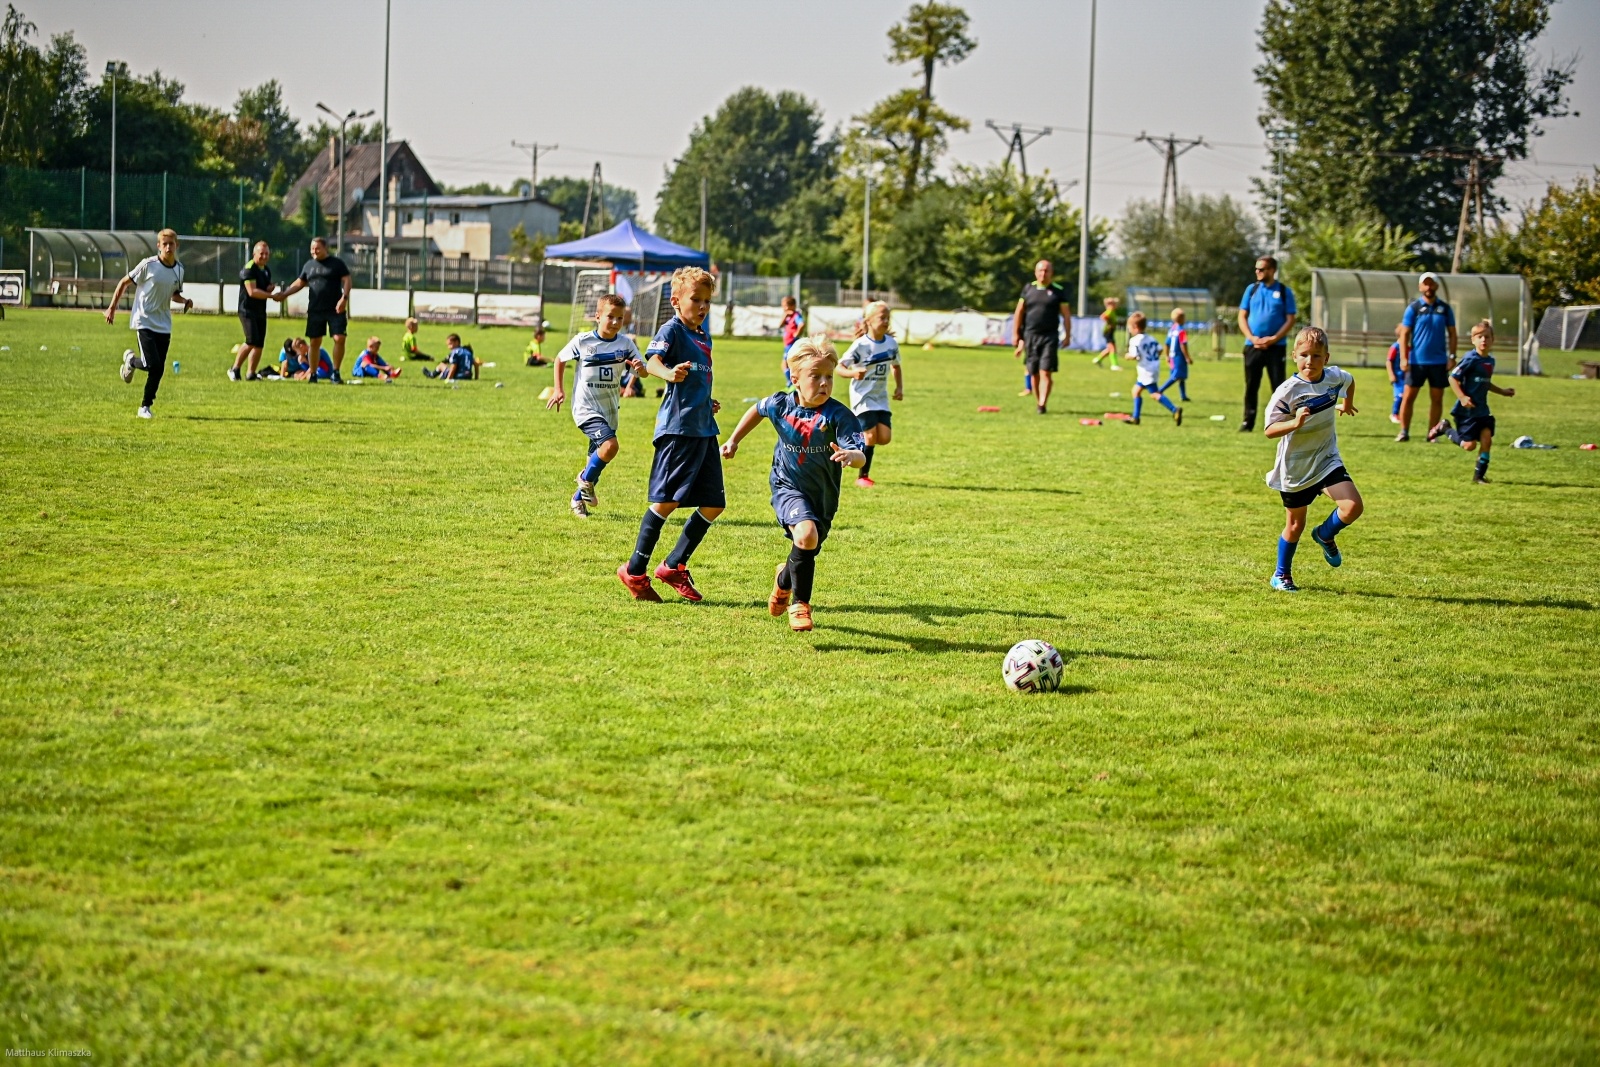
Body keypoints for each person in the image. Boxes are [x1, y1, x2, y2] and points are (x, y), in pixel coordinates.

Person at [720, 337, 866, 632]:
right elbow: (757, 410)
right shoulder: (780, 404)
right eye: (816, 376)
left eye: (829, 376)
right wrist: (734, 440)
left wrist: (852, 455)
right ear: (795, 378)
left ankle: (783, 579)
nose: (825, 383)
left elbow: (861, 454)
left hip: (823, 496)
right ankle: (800, 605)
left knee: (807, 545)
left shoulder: (839, 415)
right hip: (787, 486)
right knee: (807, 535)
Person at [618, 266, 723, 603]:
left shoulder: (704, 335)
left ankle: (673, 565)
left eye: (707, 300)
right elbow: (652, 362)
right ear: (676, 301)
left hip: (704, 426)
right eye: (696, 299)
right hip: (679, 429)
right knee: (667, 500)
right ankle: (635, 570)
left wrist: (706, 399)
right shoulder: (673, 329)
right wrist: (669, 375)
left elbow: (697, 378)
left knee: (713, 504)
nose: (703, 306)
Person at [1263, 326, 1362, 592]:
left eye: (1317, 356)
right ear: (1294, 356)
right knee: (1295, 526)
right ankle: (1281, 575)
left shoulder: (1333, 378)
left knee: (1353, 507)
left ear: (1326, 358)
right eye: (1304, 355)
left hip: (1326, 459)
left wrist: (1347, 403)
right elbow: (1270, 430)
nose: (1310, 361)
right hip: (1296, 468)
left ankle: (1324, 534)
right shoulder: (1287, 392)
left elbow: (1349, 380)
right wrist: (1294, 423)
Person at [547, 294, 645, 518]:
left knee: (597, 459)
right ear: (598, 316)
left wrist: (640, 368)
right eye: (610, 317)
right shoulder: (583, 341)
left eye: (619, 318)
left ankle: (577, 499)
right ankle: (583, 479)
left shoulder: (626, 344)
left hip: (610, 410)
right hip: (585, 408)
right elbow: (560, 359)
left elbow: (643, 372)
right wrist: (558, 389)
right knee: (610, 447)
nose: (614, 322)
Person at [106, 228, 193, 419]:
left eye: (172, 244)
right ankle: (131, 362)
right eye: (165, 244)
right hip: (144, 320)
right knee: (151, 364)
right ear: (159, 246)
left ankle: (145, 406)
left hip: (164, 324)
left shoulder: (179, 269)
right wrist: (112, 307)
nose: (168, 247)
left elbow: (173, 293)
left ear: (177, 245)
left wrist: (185, 301)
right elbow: (123, 282)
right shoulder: (148, 265)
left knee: (158, 368)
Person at [1428, 320, 1514, 483]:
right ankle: (1445, 428)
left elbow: (1484, 382)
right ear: (1473, 340)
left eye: (1487, 337)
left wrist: (1502, 392)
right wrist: (1462, 397)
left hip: (1481, 410)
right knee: (1469, 446)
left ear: (1492, 340)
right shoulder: (1470, 359)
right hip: (1466, 412)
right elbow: (1452, 378)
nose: (1483, 340)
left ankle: (1479, 476)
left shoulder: (1490, 361)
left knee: (1487, 439)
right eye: (1479, 337)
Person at [837, 300, 902, 488]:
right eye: (882, 317)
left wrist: (899, 388)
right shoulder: (861, 345)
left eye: (887, 318)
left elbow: (896, 366)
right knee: (871, 437)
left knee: (885, 438)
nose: (886, 321)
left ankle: (849, 445)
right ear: (869, 320)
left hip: (880, 397)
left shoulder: (891, 344)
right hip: (862, 396)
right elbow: (840, 368)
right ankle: (862, 476)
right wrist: (853, 373)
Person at [274, 236, 351, 384]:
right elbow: (299, 282)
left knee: (339, 338)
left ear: (325, 248)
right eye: (312, 249)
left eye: (317, 248)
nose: (314, 251)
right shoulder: (309, 265)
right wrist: (285, 294)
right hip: (316, 309)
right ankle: (313, 374)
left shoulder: (337, 264)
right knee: (315, 342)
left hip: (335, 308)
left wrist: (344, 298)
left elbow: (347, 280)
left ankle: (335, 372)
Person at [1395, 271, 1458, 443]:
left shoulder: (1444, 309)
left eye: (1432, 283)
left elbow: (1452, 333)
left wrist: (1452, 356)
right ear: (1420, 286)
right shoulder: (1413, 308)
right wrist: (1403, 358)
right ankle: (1404, 431)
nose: (1429, 287)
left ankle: (1432, 434)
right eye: (1426, 283)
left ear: (1437, 286)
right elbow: (1405, 334)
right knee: (1408, 398)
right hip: (1416, 362)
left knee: (1437, 399)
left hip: (1438, 362)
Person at [1237, 255, 1297, 432]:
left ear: (1272, 270)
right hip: (1252, 346)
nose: (1257, 272)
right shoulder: (1252, 289)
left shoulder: (1284, 292)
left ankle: (1281, 421)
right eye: (1256, 269)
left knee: (1279, 386)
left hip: (1275, 348)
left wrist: (1274, 339)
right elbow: (1242, 316)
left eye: (1261, 269)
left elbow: (1290, 318)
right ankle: (1248, 422)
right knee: (1251, 386)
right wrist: (1252, 337)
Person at [1012, 259, 1071, 415]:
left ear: (1051, 273)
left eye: (1046, 271)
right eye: (1040, 270)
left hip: (1049, 336)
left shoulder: (1058, 291)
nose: (1043, 274)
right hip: (1031, 335)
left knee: (1046, 371)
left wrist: (1067, 335)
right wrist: (1016, 334)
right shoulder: (1028, 289)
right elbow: (1019, 312)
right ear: (1035, 272)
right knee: (1034, 372)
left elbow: (1066, 315)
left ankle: (1042, 404)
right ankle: (1038, 400)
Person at [1127, 312, 1182, 426]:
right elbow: (1160, 349)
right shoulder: (1150, 338)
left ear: (1135, 327)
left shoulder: (1135, 340)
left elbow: (1134, 355)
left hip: (1146, 370)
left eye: (1129, 327)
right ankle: (1135, 417)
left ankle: (1174, 409)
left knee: (1154, 394)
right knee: (1136, 391)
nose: (1129, 330)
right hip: (1153, 368)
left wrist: (1128, 356)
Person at [231, 240, 273, 381]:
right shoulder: (249, 269)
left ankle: (251, 373)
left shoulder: (266, 270)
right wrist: (272, 295)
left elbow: (263, 288)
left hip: (260, 310)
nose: (264, 256)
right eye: (261, 253)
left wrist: (269, 289)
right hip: (247, 310)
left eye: (267, 253)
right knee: (251, 340)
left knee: (259, 342)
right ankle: (234, 369)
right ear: (254, 253)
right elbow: (252, 291)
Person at [1159, 306, 1192, 402]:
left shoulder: (1172, 329)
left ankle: (1183, 395)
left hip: (1172, 356)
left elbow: (1166, 343)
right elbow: (1183, 345)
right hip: (1179, 356)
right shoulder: (1182, 331)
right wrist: (1187, 357)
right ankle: (1160, 390)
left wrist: (1167, 356)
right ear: (1182, 318)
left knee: (1181, 377)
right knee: (1177, 376)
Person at [779, 295, 805, 385]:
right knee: (786, 364)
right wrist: (785, 315)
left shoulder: (796, 315)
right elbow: (780, 325)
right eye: (783, 306)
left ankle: (791, 383)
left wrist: (797, 333)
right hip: (787, 343)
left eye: (786, 306)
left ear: (793, 306)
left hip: (792, 343)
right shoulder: (788, 316)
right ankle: (791, 382)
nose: (784, 308)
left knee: (785, 364)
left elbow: (801, 324)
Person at [1092, 296, 1121, 370]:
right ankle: (1114, 365)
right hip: (1108, 331)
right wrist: (1109, 323)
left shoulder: (1112, 311)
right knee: (1112, 348)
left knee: (1110, 349)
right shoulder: (1110, 310)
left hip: (1110, 331)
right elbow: (1103, 316)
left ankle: (1098, 359)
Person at [1385, 324, 1405, 424]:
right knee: (1400, 396)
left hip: (1406, 377)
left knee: (1405, 397)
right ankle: (1394, 414)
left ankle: (1401, 414)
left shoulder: (1409, 348)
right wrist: (1391, 375)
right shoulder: (1395, 347)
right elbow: (1389, 361)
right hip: (1398, 377)